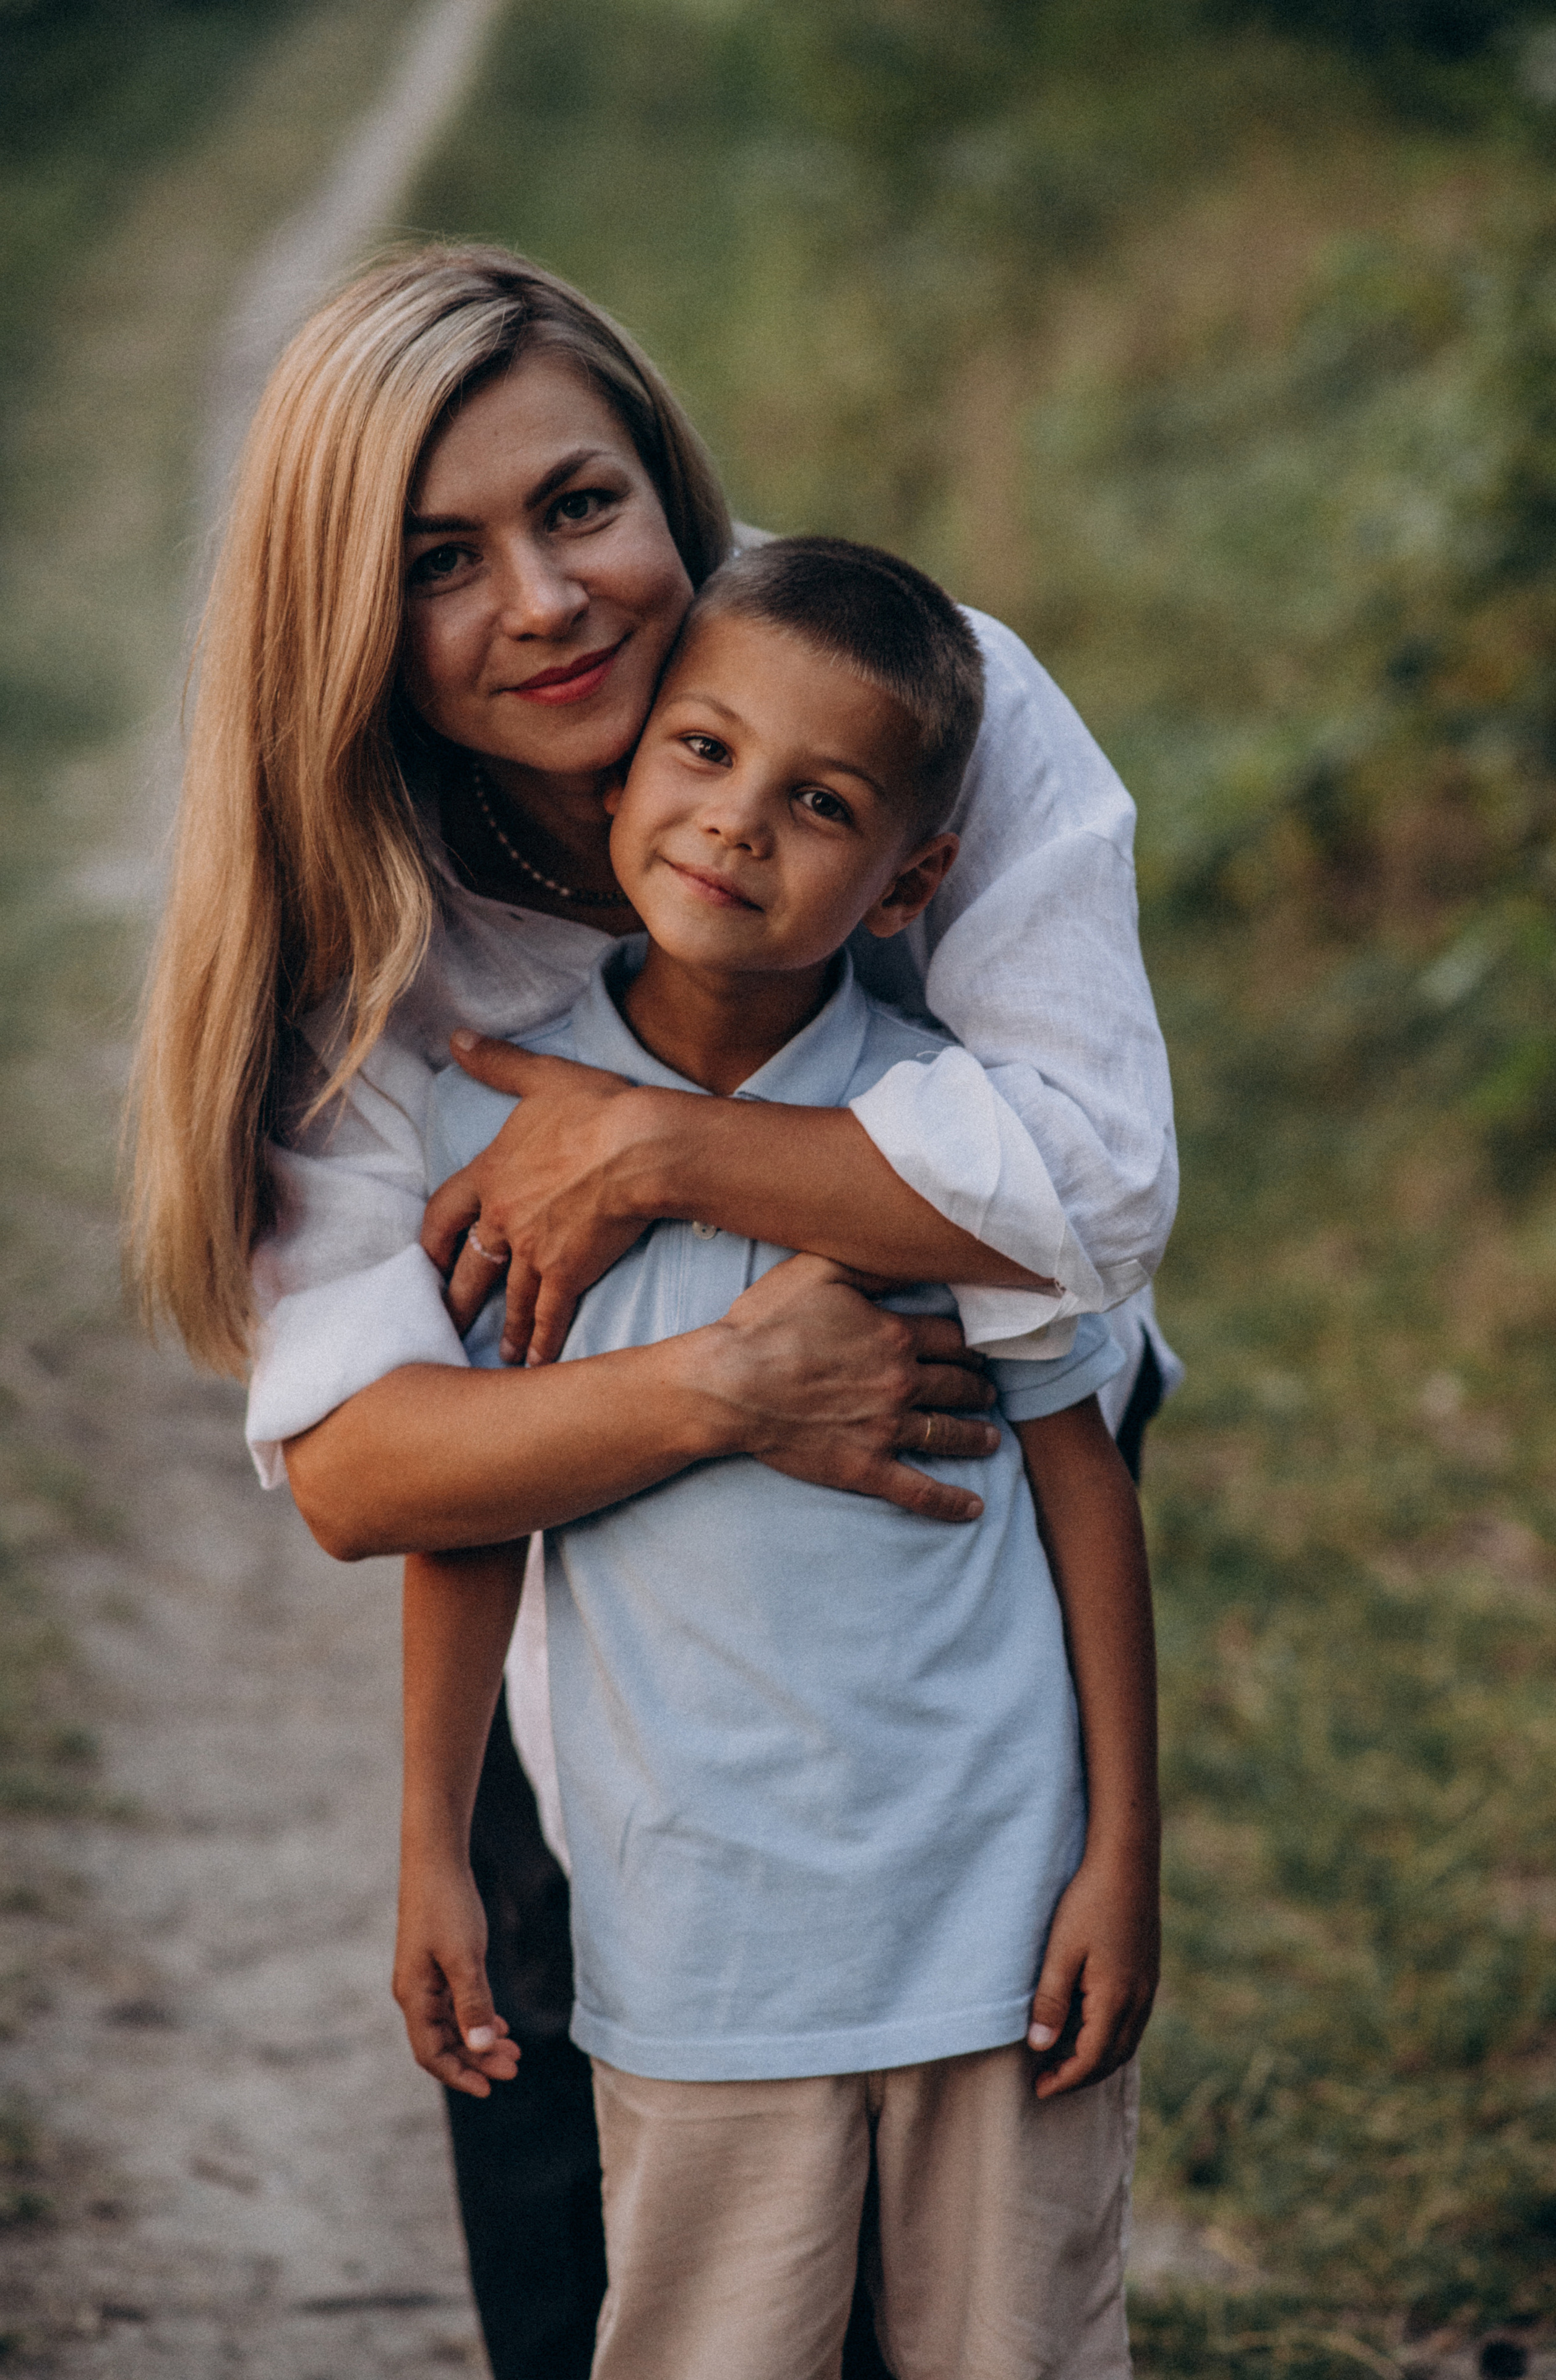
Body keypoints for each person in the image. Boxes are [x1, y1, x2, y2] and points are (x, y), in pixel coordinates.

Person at [127, 246, 1177, 2379]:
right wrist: (724, 1384)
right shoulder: (367, 914)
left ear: (665, 482)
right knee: (634, 2279)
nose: (546, 599)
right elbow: (370, 1460)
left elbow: (1093, 1191)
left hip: (947, 1597)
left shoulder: (892, 691)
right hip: (603, 1659)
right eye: (442, 559)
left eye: (578, 504)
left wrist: (644, 1150)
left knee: (983, 2273)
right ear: (351, 616)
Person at [395, 536, 1159, 2379]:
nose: (738, 826)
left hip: (997, 1912)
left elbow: (1085, 1482)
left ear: (912, 876)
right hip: (693, 1937)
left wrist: (1126, 1847)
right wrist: (428, 1836)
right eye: (705, 753)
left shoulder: (947, 1142)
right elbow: (471, 1499)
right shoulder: (494, 1122)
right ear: (626, 765)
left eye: (818, 801)